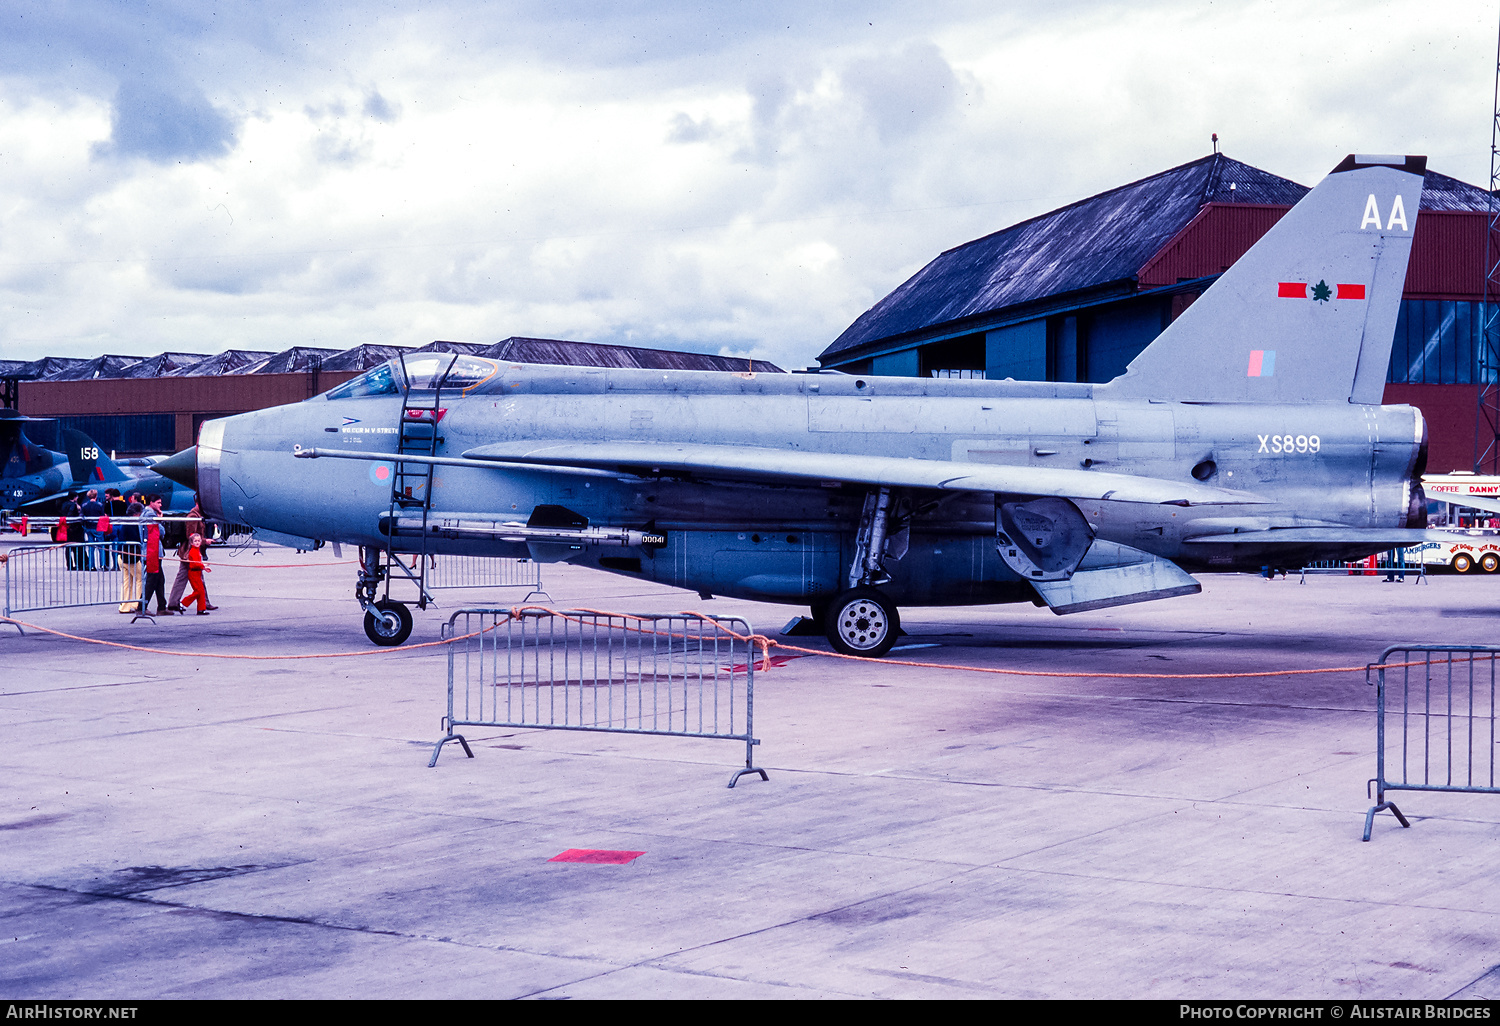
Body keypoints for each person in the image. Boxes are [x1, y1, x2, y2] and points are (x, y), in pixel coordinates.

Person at [167, 498, 215, 612]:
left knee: (189, 577)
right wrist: (204, 541)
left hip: (191, 552)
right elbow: (191, 535)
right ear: (198, 503)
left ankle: (175, 602)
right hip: (189, 552)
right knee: (186, 577)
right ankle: (177, 603)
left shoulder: (198, 514)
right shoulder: (193, 516)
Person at [140, 494, 170, 615]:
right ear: (151, 503)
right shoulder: (150, 515)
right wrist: (160, 519)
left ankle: (162, 606)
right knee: (152, 579)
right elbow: (161, 532)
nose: (160, 505)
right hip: (153, 550)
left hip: (151, 550)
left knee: (159, 579)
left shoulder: (144, 513)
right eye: (158, 503)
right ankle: (141, 606)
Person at [117, 495, 143, 613]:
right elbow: (137, 539)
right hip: (132, 556)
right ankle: (137, 604)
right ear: (137, 513)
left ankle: (124, 606)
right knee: (140, 580)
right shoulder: (133, 524)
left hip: (122, 555)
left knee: (126, 582)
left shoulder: (125, 522)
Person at [180, 532, 211, 615]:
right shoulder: (193, 551)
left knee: (201, 592)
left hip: (197, 573)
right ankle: (183, 603)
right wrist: (203, 565)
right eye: (195, 541)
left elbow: (198, 563)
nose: (197, 542)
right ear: (191, 543)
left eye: (198, 541)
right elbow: (194, 564)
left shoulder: (197, 551)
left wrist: (204, 567)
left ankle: (201, 609)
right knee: (198, 591)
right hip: (193, 574)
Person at [80, 489, 105, 571]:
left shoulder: (84, 505)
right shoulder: (100, 505)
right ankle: (102, 565)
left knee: (91, 547)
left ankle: (92, 565)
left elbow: (82, 516)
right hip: (97, 528)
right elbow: (102, 516)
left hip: (88, 527)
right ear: (96, 496)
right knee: (101, 547)